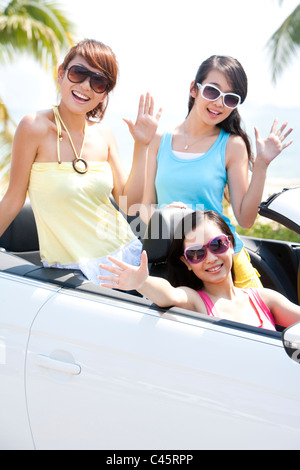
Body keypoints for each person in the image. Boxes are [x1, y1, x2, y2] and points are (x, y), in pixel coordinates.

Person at [0, 39, 161, 283]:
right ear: (61, 74)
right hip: (71, 272)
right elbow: (13, 198)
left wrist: (142, 145)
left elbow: (130, 206)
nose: (86, 86)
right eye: (78, 73)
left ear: (104, 94)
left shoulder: (104, 133)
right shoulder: (33, 127)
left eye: (98, 82)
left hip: (124, 260)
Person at [137, 55, 293, 289]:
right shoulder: (159, 140)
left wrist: (261, 165)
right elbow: (145, 208)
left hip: (220, 258)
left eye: (230, 98)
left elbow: (246, 219)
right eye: (212, 91)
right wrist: (164, 216)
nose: (220, 103)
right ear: (194, 89)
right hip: (176, 258)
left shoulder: (232, 145)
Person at [99, 210, 300, 331]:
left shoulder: (264, 298)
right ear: (186, 262)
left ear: (230, 245)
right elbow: (170, 295)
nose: (211, 258)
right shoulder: (195, 300)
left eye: (217, 244)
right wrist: (142, 283)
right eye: (196, 253)